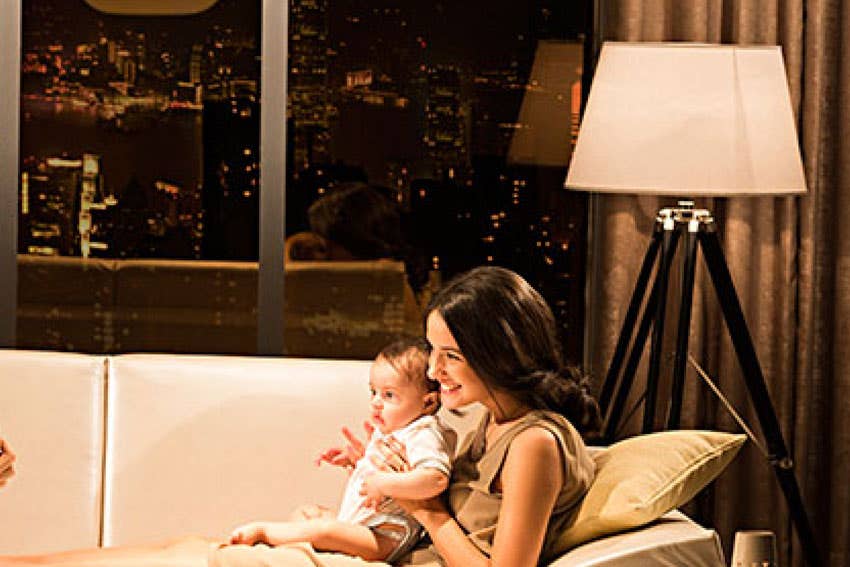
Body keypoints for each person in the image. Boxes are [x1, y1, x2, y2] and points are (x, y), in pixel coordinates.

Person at [0, 266, 600, 567]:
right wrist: (379, 476)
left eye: (452, 356)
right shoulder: (490, 425)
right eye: (434, 352)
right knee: (192, 548)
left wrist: (425, 508)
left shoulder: (534, 444)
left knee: (196, 555)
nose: (437, 371)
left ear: (497, 352)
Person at [227, 337, 454, 563]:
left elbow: (436, 479)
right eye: (373, 392)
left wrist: (382, 483)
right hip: (364, 524)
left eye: (389, 395)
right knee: (308, 512)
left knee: (325, 531)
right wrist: (359, 462)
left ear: (428, 403)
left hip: (387, 534)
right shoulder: (396, 426)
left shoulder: (424, 432)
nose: (376, 402)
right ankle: (298, 551)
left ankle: (265, 532)